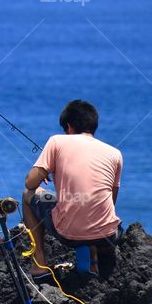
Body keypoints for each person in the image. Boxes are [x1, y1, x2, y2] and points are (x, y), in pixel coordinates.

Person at [22, 100, 123, 278]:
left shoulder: (56, 142)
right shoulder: (115, 154)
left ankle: (40, 265)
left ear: (69, 127)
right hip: (108, 235)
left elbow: (30, 183)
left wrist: (45, 170)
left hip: (70, 235)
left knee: (28, 196)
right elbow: (111, 201)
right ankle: (95, 251)